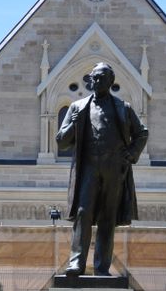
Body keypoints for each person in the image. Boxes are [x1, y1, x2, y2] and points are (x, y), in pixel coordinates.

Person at [56, 62, 148, 276]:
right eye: (94, 78)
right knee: (83, 213)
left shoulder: (122, 108)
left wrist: (131, 153)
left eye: (101, 78)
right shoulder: (77, 107)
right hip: (88, 168)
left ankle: (101, 268)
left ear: (110, 81)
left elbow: (142, 133)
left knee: (108, 217)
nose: (96, 82)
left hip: (114, 170)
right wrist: (72, 125)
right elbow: (61, 141)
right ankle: (76, 263)